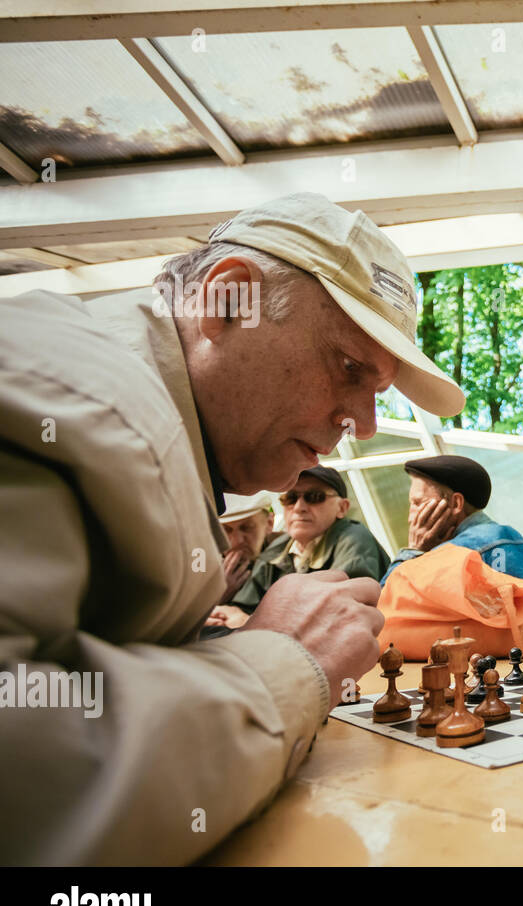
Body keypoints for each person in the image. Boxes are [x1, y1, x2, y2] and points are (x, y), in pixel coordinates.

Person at [0, 192, 465, 864]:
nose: (362, 424)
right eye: (349, 368)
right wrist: (278, 663)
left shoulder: (135, 414)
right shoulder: (70, 400)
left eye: (377, 391)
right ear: (226, 303)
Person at [383, 455, 523, 647]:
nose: (410, 517)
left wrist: (414, 550)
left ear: (456, 504)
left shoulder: (459, 552)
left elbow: (382, 611)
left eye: (417, 503)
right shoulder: (511, 539)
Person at [229, 465, 389, 614]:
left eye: (314, 497)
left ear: (342, 508)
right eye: (290, 498)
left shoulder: (354, 538)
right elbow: (242, 608)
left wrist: (252, 623)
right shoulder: (279, 548)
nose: (299, 507)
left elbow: (336, 611)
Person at [204, 491, 282, 630]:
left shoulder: (287, 556)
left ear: (270, 523)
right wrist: (217, 595)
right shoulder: (202, 563)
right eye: (225, 530)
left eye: (247, 528)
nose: (237, 541)